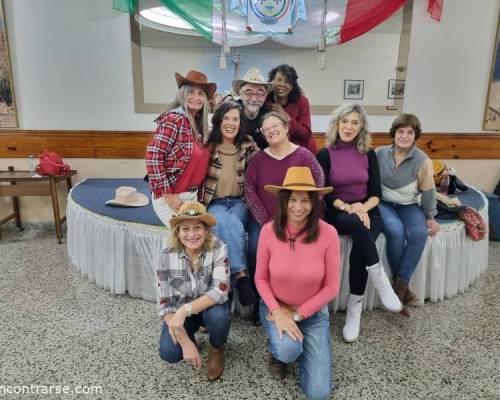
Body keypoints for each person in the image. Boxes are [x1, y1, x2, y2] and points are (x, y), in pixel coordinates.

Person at [316, 103, 402, 342]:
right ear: (336, 124)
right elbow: (324, 193)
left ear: (361, 126)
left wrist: (362, 208)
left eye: (355, 122)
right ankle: (380, 279)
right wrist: (348, 207)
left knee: (359, 252)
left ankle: (354, 312)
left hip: (367, 210)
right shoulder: (324, 154)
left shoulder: (368, 154)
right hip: (338, 212)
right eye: (345, 121)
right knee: (354, 224)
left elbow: (376, 193)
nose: (349, 127)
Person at [255, 166, 340, 400]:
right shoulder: (268, 231)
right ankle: (280, 351)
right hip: (275, 308)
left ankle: (300, 343)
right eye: (292, 199)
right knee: (288, 350)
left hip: (312, 315)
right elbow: (260, 279)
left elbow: (332, 287)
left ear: (314, 203)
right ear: (283, 201)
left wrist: (296, 316)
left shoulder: (329, 233)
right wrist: (278, 312)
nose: (298, 207)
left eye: (305, 200)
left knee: (319, 394)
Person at [244, 112, 324, 322]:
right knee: (254, 247)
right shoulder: (258, 159)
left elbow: (318, 185)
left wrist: (309, 217)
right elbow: (250, 189)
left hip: (299, 218)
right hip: (265, 219)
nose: (271, 130)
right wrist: (265, 221)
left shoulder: (305, 156)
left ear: (287, 127)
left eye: (275, 125)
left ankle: (301, 301)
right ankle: (260, 302)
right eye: (265, 129)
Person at [157, 201, 230, 381]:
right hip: (183, 315)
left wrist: (185, 309)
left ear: (206, 230)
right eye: (185, 229)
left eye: (197, 227)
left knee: (219, 317)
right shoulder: (165, 255)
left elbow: (220, 291)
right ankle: (191, 336)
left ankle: (216, 348)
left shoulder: (219, 247)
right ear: (177, 232)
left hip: (209, 308)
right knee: (169, 353)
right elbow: (165, 305)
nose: (192, 234)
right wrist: (185, 342)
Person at [376, 113, 440, 317]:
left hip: (408, 205)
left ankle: (399, 288)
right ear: (393, 133)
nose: (404, 136)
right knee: (395, 230)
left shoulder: (423, 160)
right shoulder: (379, 153)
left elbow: (428, 191)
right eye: (400, 131)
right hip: (383, 203)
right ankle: (402, 287)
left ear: (415, 135)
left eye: (410, 132)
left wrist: (430, 217)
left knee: (419, 234)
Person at [200, 101, 259, 306]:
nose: (231, 123)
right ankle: (241, 275)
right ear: (218, 120)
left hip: (239, 201)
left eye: (235, 119)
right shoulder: (208, 145)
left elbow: (259, 171)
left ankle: (228, 287)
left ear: (240, 123)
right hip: (214, 202)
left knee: (231, 221)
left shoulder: (249, 144)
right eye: (226, 118)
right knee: (224, 222)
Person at [145, 70, 215, 227]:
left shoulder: (199, 126)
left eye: (201, 94)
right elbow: (153, 156)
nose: (196, 97)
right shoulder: (174, 119)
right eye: (191, 92)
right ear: (182, 94)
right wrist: (168, 195)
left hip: (192, 196)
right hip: (171, 197)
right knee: (187, 240)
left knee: (195, 242)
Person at [267, 64, 317, 154]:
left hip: (302, 152)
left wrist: (287, 118)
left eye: (287, 81)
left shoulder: (302, 101)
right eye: (279, 80)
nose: (282, 84)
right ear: (271, 82)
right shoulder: (266, 100)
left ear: (292, 86)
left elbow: (305, 134)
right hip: (277, 151)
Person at [232, 68, 273, 150]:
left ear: (265, 96)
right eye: (248, 92)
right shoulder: (231, 113)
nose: (254, 99)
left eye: (260, 93)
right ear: (241, 94)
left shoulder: (269, 117)